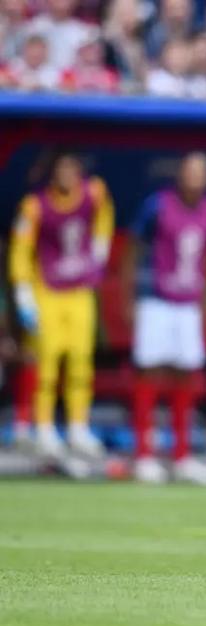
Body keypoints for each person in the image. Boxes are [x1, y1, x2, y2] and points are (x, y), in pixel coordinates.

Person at [8, 153, 113, 473]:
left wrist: (99, 253)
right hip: (48, 291)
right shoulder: (34, 206)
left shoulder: (94, 193)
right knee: (47, 362)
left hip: (79, 291)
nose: (67, 175)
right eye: (61, 169)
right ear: (52, 173)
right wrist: (23, 293)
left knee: (81, 360)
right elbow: (20, 249)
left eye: (72, 169)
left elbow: (104, 219)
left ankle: (78, 426)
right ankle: (43, 427)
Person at [130, 152, 206, 485]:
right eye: (190, 171)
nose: (194, 178)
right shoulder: (158, 205)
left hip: (188, 303)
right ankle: (144, 455)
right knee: (150, 371)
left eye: (201, 172)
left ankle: (182, 456)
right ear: (180, 174)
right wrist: (130, 295)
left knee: (186, 374)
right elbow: (134, 246)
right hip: (156, 299)